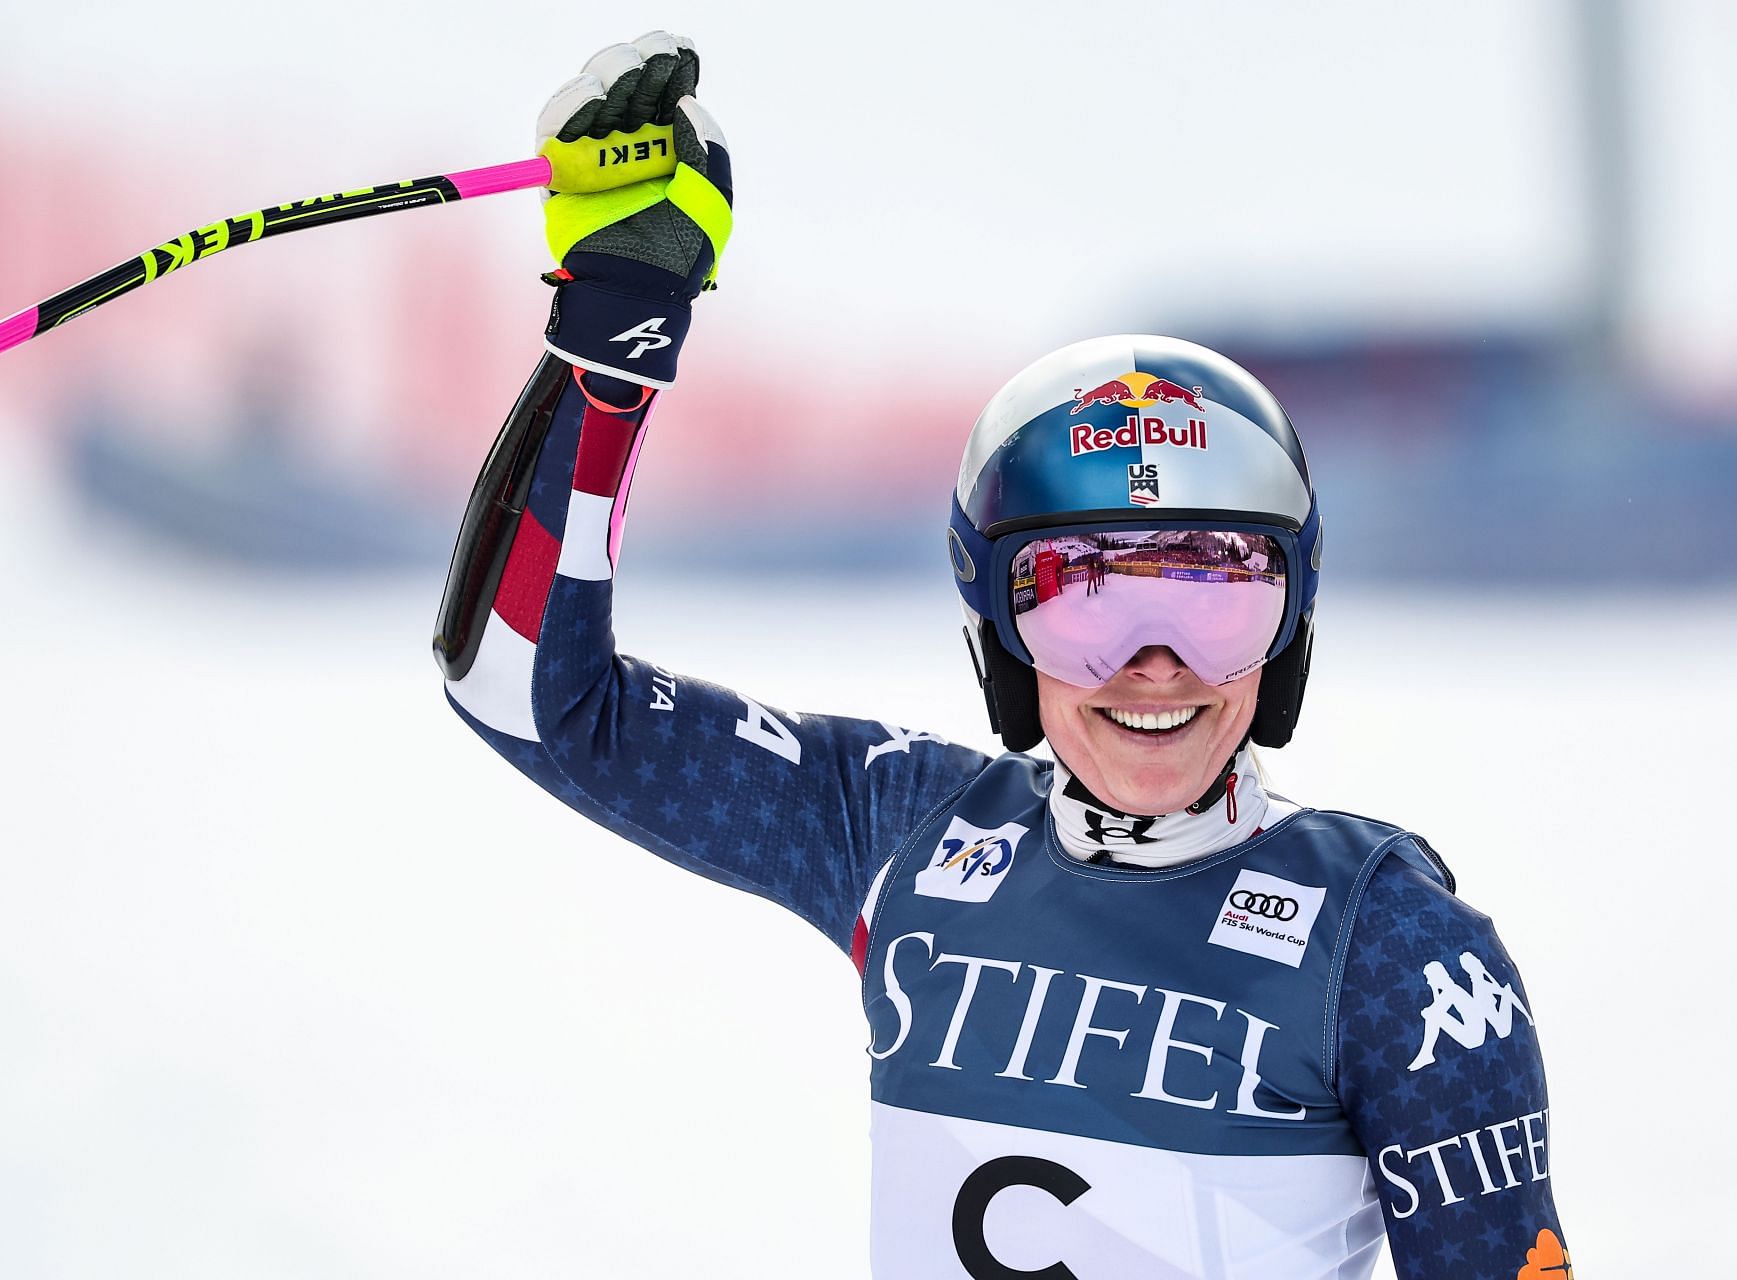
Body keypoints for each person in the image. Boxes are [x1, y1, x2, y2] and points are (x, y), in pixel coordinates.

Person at [433, 35, 1572, 1280]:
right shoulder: (898, 828)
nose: (1155, 665)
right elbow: (532, 693)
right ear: (995, 632)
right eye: (1081, 598)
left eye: (1213, 593)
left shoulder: (1401, 952)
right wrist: (613, 345)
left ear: (1292, 628)